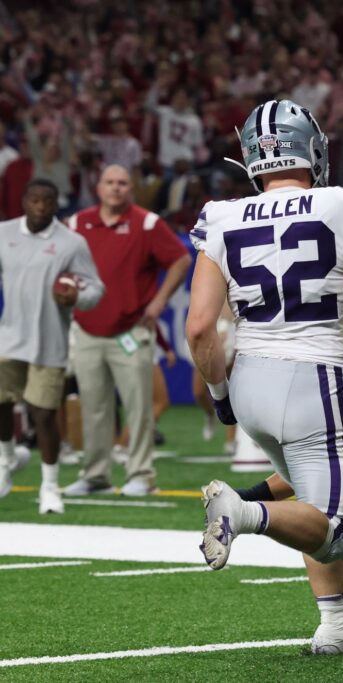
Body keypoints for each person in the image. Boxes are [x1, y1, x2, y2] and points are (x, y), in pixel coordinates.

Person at [187, 99, 343, 652]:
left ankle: (336, 625)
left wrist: (220, 395)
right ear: (312, 148)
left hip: (250, 383)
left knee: (309, 499)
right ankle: (246, 511)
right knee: (331, 530)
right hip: (313, 379)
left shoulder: (221, 215)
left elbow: (200, 328)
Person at [63, 166, 191, 496]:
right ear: (98, 186)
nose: (116, 188)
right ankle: (95, 475)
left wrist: (159, 301)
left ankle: (141, 475)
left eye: (122, 183)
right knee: (94, 406)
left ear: (130, 188)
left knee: (139, 405)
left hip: (131, 331)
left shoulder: (146, 222)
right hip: (88, 329)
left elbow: (180, 259)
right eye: (110, 182)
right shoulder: (77, 223)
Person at [0, 179, 104, 512]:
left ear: (57, 203)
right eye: (34, 200)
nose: (41, 207)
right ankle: (6, 461)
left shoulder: (71, 243)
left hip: (49, 341)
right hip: (9, 337)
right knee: (1, 403)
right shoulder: (5, 234)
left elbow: (95, 289)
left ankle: (49, 487)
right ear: (24, 201)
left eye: (47, 201)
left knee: (43, 415)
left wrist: (78, 296)